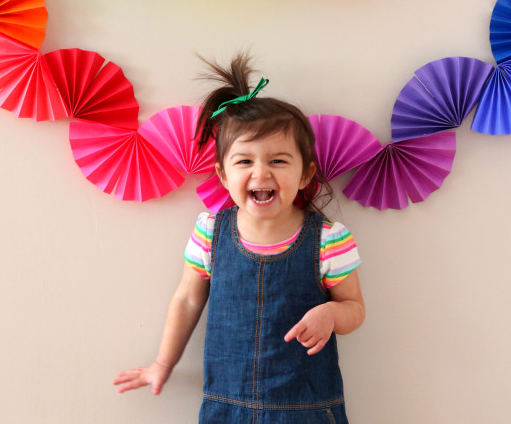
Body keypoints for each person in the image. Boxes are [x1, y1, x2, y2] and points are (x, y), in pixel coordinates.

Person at [114, 54, 365, 423]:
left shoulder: (327, 239)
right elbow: (186, 299)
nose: (260, 173)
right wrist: (162, 363)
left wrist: (332, 313)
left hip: (305, 410)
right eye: (244, 161)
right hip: (226, 407)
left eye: (278, 161)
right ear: (222, 174)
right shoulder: (211, 233)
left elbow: (355, 307)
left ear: (305, 174)